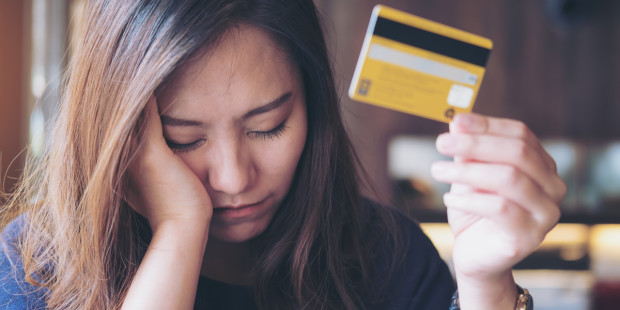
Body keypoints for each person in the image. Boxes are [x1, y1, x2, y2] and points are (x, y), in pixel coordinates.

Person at [0, 0, 565, 309]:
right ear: (116, 132)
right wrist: (179, 226)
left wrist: (487, 286)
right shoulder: (32, 269)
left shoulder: (386, 259)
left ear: (313, 103)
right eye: (184, 140)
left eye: (268, 126)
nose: (233, 177)